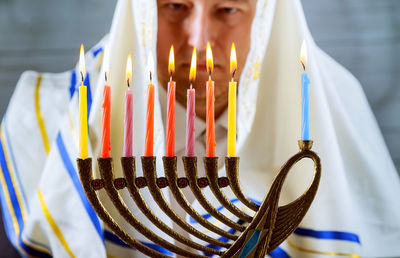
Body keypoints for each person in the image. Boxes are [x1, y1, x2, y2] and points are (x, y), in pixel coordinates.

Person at [0, 0, 399, 257]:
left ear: (267, 20)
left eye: (227, 10)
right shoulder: (57, 124)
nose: (198, 41)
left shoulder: (335, 110)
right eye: (174, 6)